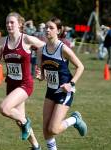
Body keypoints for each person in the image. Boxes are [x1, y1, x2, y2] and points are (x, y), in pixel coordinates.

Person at [0, 12, 45, 150]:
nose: (9, 25)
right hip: (11, 84)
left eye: (12, 22)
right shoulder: (2, 42)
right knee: (19, 121)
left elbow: (44, 47)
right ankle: (36, 146)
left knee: (4, 108)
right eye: (7, 22)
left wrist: (40, 65)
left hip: (25, 84)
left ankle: (26, 121)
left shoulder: (26, 39)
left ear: (20, 24)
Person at [38, 17, 87, 150]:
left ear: (58, 31)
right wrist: (40, 75)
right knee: (45, 130)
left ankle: (75, 120)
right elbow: (41, 71)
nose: (47, 29)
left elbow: (80, 67)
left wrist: (71, 84)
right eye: (46, 27)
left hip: (64, 91)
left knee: (53, 129)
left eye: (51, 27)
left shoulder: (63, 48)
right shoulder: (41, 50)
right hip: (50, 91)